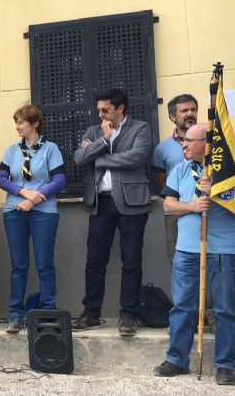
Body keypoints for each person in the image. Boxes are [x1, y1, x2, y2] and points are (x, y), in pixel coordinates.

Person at [153, 123, 235, 386]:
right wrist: (192, 205)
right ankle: (177, 359)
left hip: (221, 250)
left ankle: (226, 365)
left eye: (189, 140)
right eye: (183, 140)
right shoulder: (180, 169)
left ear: (207, 144)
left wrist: (218, 193)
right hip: (187, 250)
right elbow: (168, 204)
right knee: (182, 306)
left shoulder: (228, 172)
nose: (184, 145)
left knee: (225, 309)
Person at [72, 88, 152, 336]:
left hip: (132, 202)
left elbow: (136, 157)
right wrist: (103, 140)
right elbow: (78, 157)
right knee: (95, 260)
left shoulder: (140, 128)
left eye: (105, 110)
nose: (101, 114)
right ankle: (91, 313)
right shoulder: (95, 131)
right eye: (98, 110)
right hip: (101, 202)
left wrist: (100, 157)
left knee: (131, 260)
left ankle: (128, 314)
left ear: (120, 108)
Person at [0, 105, 66, 333]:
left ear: (35, 124)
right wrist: (23, 192)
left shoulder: (50, 149)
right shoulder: (11, 150)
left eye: (21, 122)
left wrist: (34, 199)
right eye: (16, 122)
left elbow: (59, 180)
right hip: (14, 212)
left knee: (44, 264)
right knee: (19, 265)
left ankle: (48, 311)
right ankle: (15, 313)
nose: (17, 126)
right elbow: (1, 179)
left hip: (43, 213)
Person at [152, 94, 198, 262]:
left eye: (193, 109)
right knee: (179, 261)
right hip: (176, 213)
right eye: (184, 110)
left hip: (208, 210)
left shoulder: (212, 142)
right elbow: (161, 181)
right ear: (172, 116)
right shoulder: (162, 149)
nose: (190, 113)